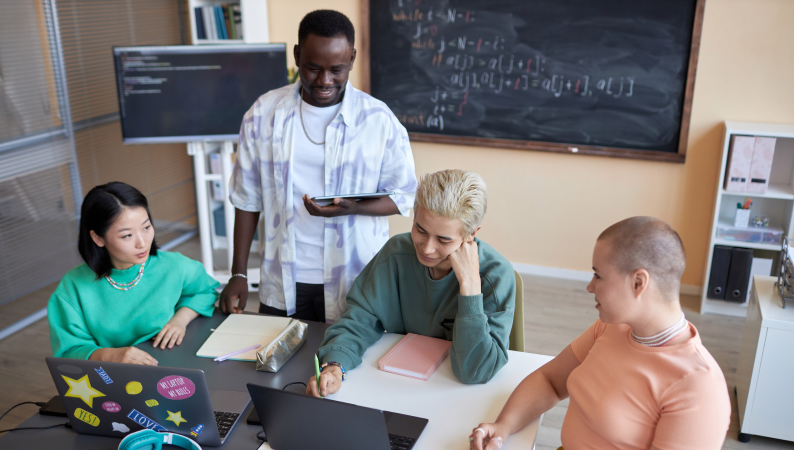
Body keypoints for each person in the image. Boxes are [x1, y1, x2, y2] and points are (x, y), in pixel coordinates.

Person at [221, 9, 417, 323]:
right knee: (277, 368)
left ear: (352, 59)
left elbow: (404, 195)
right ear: (298, 55)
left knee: (346, 367)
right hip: (282, 280)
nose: (325, 81)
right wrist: (239, 274)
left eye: (337, 69)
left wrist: (351, 207)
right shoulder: (263, 114)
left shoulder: (379, 121)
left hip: (355, 279)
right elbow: (247, 199)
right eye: (313, 68)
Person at [470, 217, 731, 450]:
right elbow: (550, 381)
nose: (589, 286)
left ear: (638, 283)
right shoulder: (612, 327)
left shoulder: (699, 388)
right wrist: (503, 427)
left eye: (598, 276)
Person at [306, 169, 516, 397]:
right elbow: (359, 320)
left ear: (471, 235)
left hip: (459, 395)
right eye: (420, 229)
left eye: (444, 239)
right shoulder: (396, 254)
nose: (426, 248)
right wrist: (336, 365)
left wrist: (470, 287)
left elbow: (474, 372)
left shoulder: (496, 275)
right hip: (398, 387)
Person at [48, 182, 219, 365]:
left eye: (146, 228)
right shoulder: (73, 287)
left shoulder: (175, 265)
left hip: (175, 361)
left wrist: (180, 320)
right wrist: (111, 355)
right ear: (98, 237)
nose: (142, 243)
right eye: (127, 235)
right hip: (115, 376)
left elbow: (206, 291)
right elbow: (69, 350)